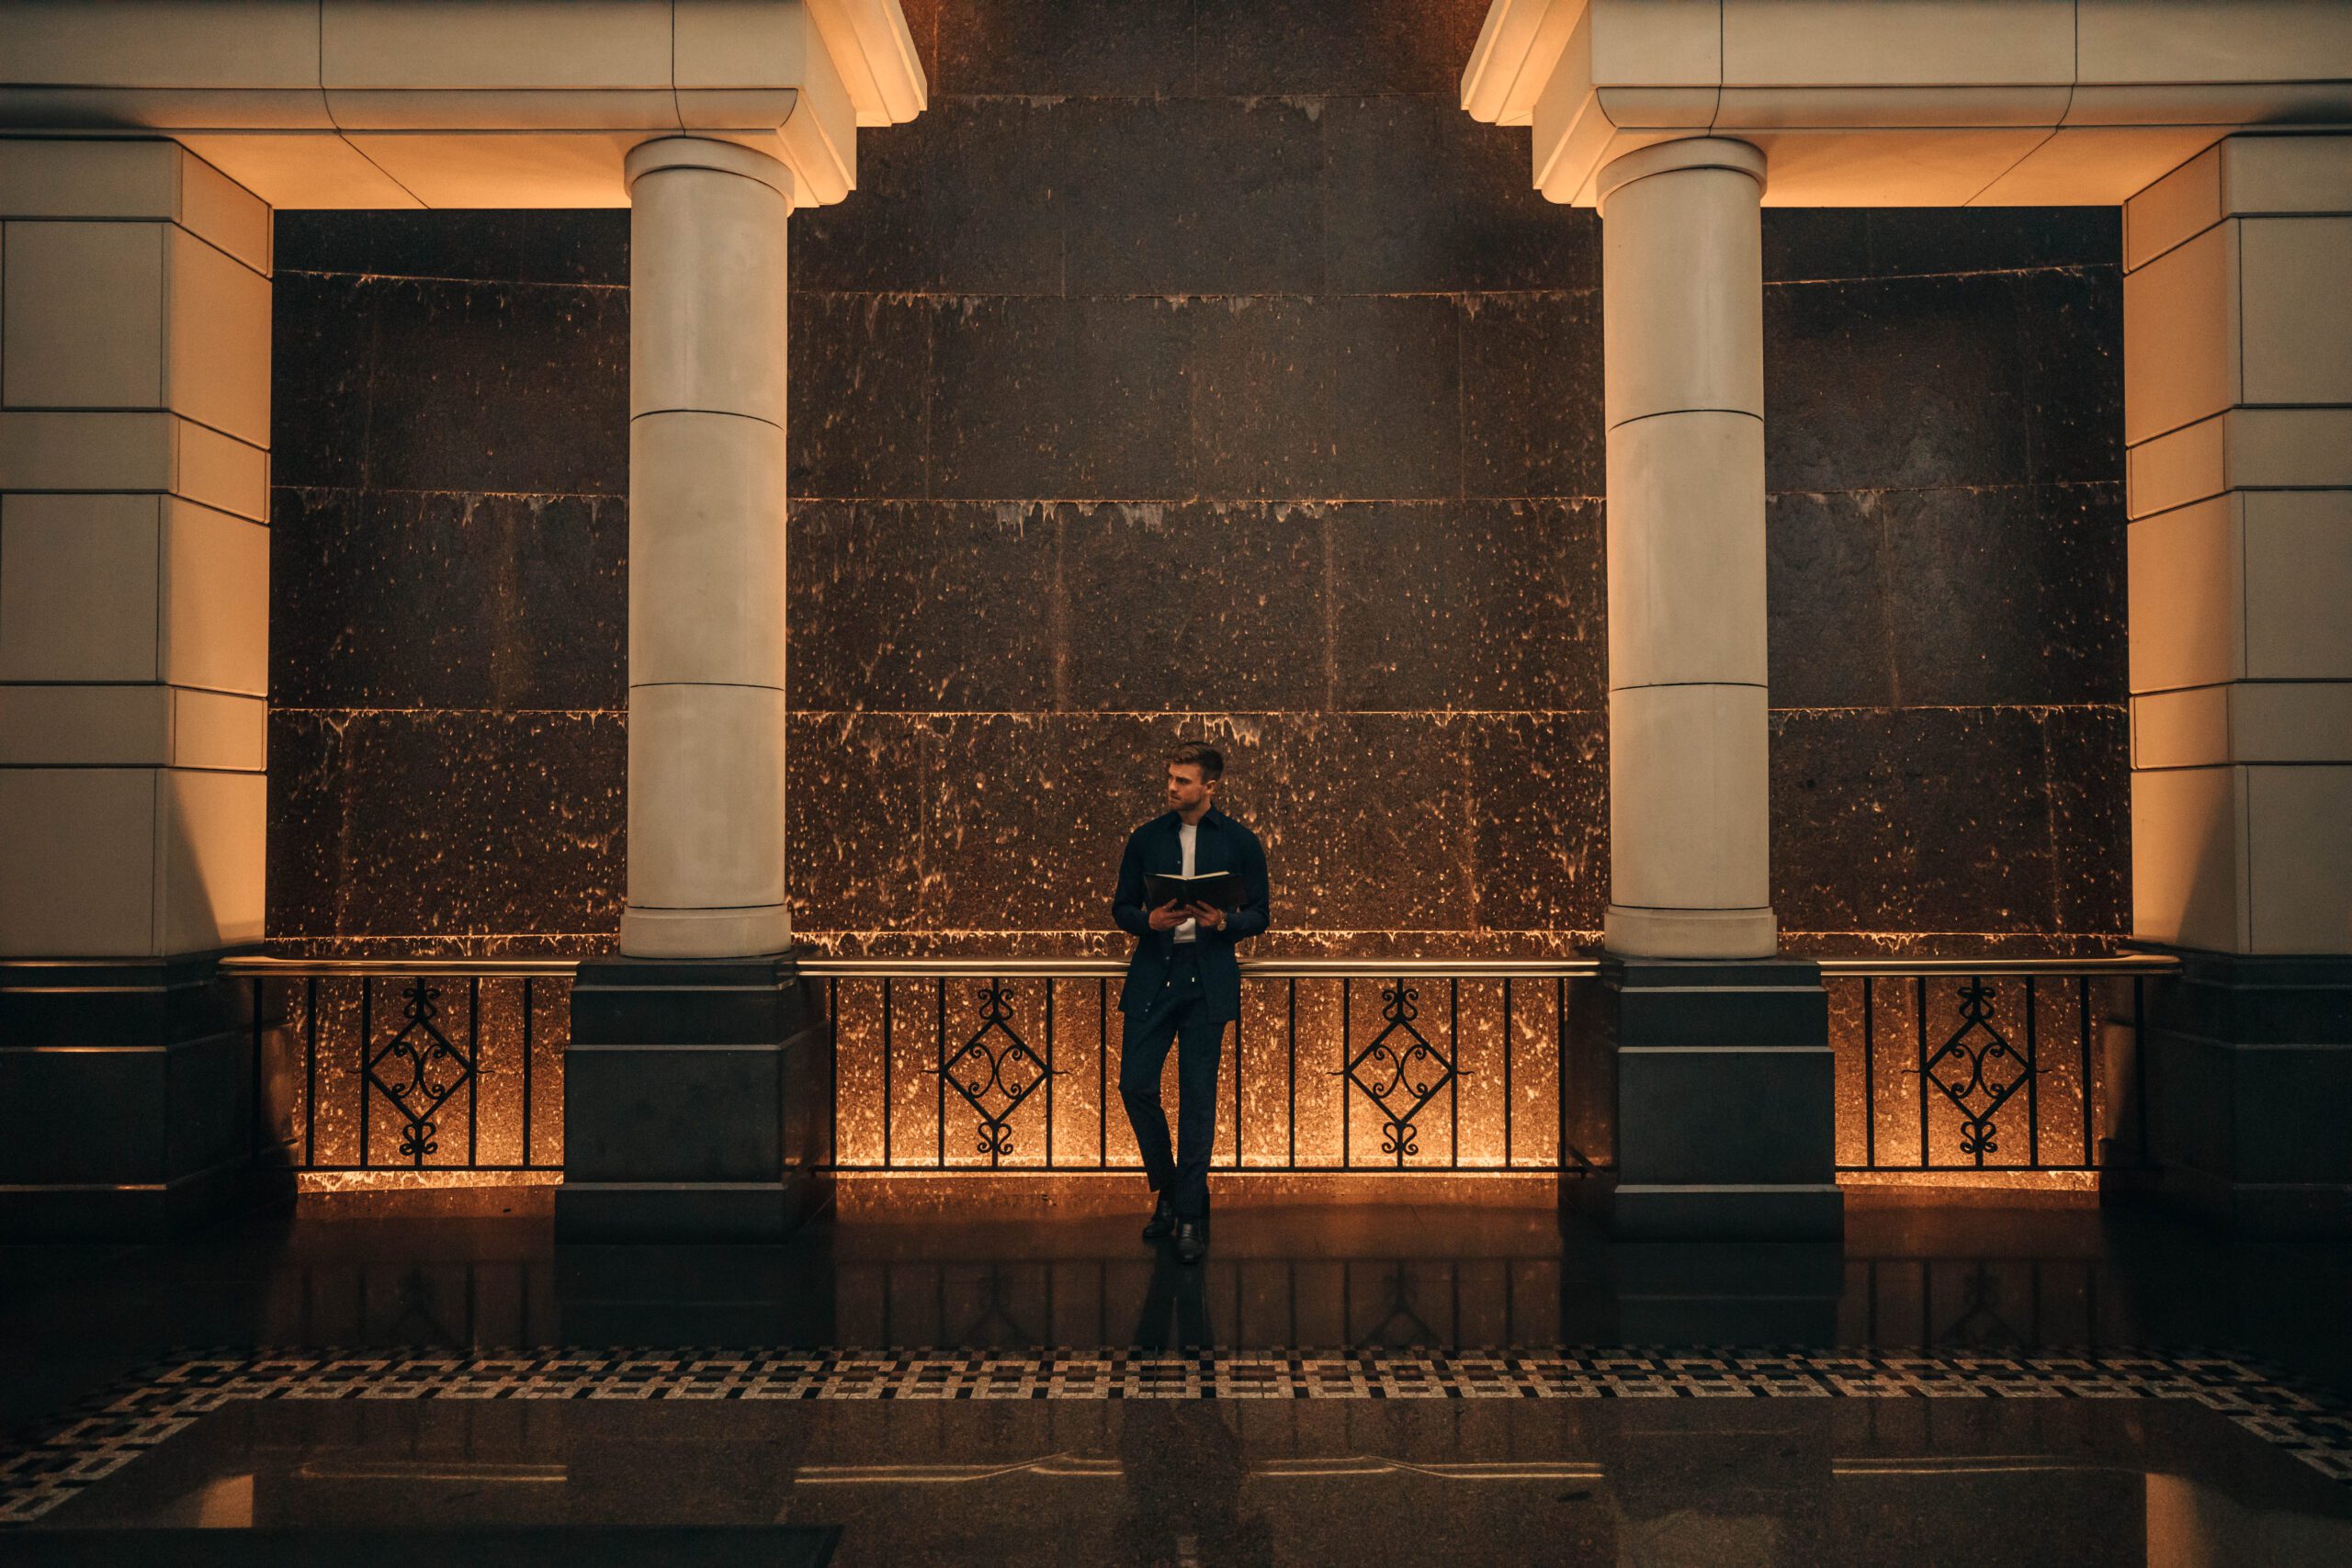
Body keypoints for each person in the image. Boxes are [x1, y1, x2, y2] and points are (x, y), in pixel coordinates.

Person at [1111, 741, 1271, 1264]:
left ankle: (1188, 1220)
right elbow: (1122, 907)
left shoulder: (1241, 842)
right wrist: (1147, 921)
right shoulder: (1145, 839)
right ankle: (1176, 1192)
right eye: (1171, 777)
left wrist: (1224, 921)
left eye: (1182, 780)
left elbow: (1261, 914)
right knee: (1134, 1084)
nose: (1172, 787)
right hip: (1154, 977)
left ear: (1210, 787)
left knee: (1198, 1098)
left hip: (1207, 980)